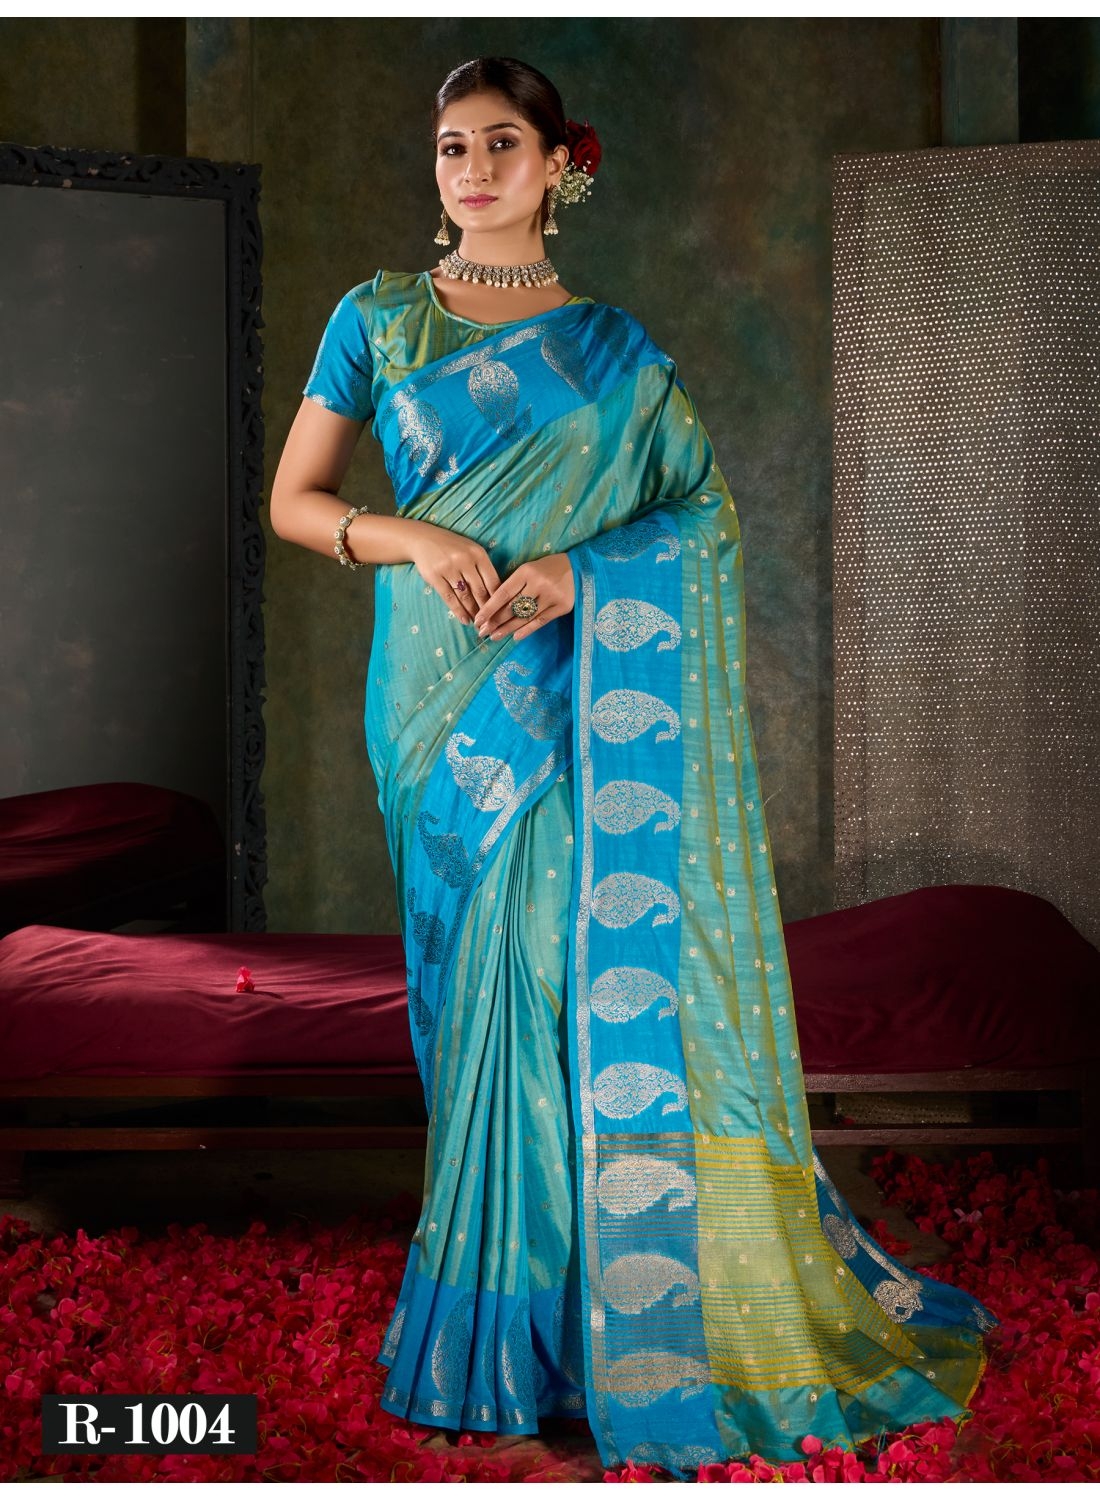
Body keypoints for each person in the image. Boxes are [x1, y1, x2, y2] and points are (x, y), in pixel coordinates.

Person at [270, 53, 999, 1480]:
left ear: (559, 166)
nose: (472, 169)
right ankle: (504, 1327)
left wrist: (574, 571)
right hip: (436, 701)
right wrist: (413, 537)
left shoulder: (617, 353)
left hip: (574, 688)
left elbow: (704, 520)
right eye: (451, 147)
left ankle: (576, 1332)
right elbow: (297, 500)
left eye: (500, 144)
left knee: (560, 986)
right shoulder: (377, 319)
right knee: (480, 998)